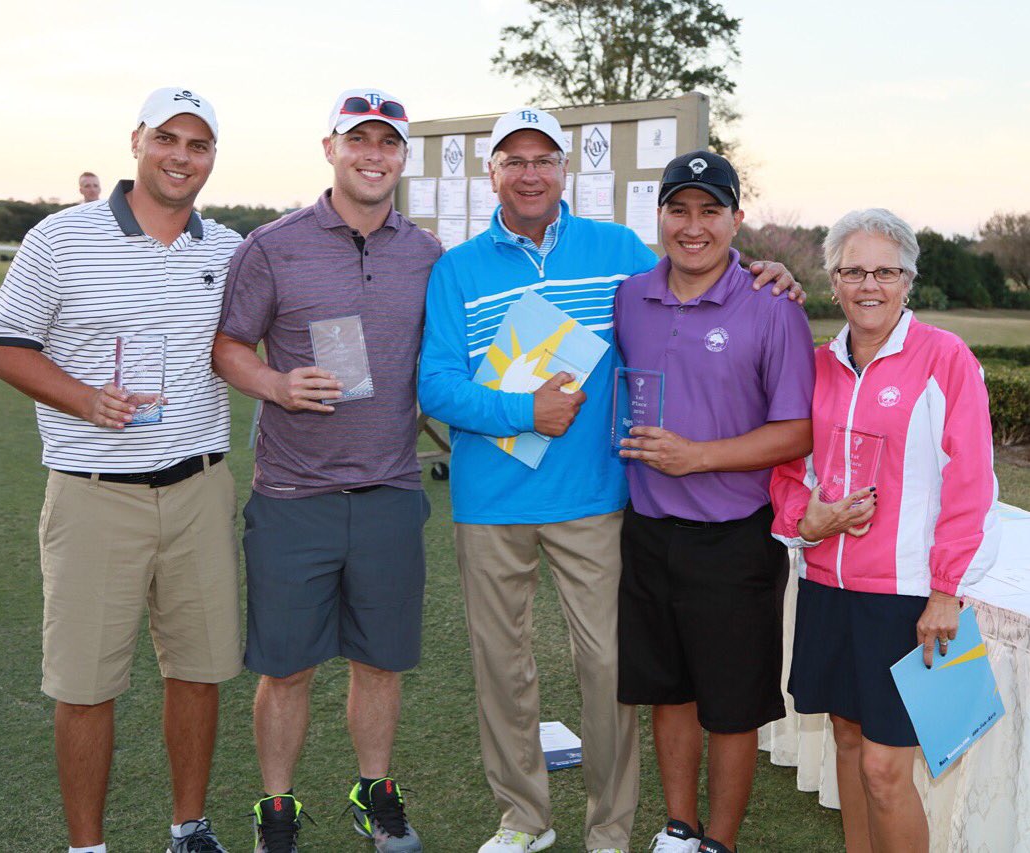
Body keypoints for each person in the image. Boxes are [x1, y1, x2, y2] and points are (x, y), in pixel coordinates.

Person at [417, 110, 802, 853]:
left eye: (543, 159)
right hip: (489, 502)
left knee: (608, 670)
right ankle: (525, 818)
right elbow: (434, 386)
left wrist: (764, 267)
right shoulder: (456, 268)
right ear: (490, 172)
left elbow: (694, 259)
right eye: (512, 160)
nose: (529, 173)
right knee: (502, 670)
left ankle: (610, 828)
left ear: (563, 170)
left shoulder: (616, 251)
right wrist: (523, 408)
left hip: (595, 497)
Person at [0, 87, 242, 853]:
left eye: (198, 146)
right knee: (85, 685)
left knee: (199, 671)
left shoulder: (224, 249)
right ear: (138, 140)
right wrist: (85, 399)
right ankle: (87, 846)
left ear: (211, 159)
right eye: (168, 138)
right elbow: (2, 345)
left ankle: (188, 827)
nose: (181, 157)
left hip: (198, 486)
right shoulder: (60, 239)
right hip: (94, 495)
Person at [212, 87, 440, 853]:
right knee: (288, 668)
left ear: (401, 157)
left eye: (387, 143)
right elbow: (228, 345)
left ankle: (374, 792)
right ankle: (277, 807)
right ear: (330, 149)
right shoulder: (272, 245)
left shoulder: (426, 251)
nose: (373, 155)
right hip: (292, 495)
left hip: (389, 490)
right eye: (358, 141)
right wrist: (275, 384)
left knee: (379, 662)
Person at [770, 208, 1000, 853]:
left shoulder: (943, 358)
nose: (869, 285)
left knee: (884, 768)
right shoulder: (814, 365)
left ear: (908, 281)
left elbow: (971, 483)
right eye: (853, 271)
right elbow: (786, 470)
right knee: (847, 740)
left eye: (886, 271)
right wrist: (802, 518)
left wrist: (945, 590)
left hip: (905, 596)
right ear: (834, 282)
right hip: (827, 585)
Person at [613, 150, 815, 853]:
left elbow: (797, 430)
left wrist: (698, 457)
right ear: (659, 216)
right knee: (667, 689)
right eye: (679, 209)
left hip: (733, 537)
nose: (692, 226)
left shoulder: (772, 306)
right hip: (647, 531)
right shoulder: (629, 295)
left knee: (731, 705)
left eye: (710, 210)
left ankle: (719, 841)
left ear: (735, 219)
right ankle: (679, 827)